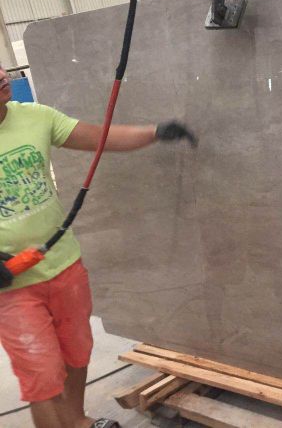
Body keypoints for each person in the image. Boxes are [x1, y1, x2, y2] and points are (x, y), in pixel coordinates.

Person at [0, 64, 197, 428]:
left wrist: (155, 133)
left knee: (76, 354)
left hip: (64, 264)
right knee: (42, 377)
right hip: (12, 285)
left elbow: (98, 137)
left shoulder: (35, 117)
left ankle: (77, 420)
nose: (0, 75)